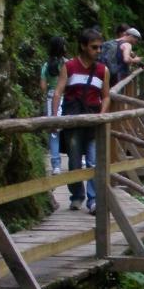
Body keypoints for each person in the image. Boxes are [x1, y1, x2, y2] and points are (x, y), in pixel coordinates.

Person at [50, 28, 110, 214]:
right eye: (94, 47)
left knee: (93, 161)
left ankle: (94, 200)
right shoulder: (69, 66)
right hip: (72, 120)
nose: (98, 51)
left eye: (100, 47)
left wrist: (102, 115)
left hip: (93, 121)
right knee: (75, 162)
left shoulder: (102, 70)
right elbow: (58, 92)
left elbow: (106, 96)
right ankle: (77, 195)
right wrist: (54, 118)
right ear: (83, 46)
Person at [39, 35, 67, 173]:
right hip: (67, 97)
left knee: (53, 132)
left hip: (51, 97)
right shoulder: (66, 64)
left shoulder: (46, 65)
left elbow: (43, 86)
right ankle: (78, 158)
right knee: (70, 128)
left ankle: (56, 165)